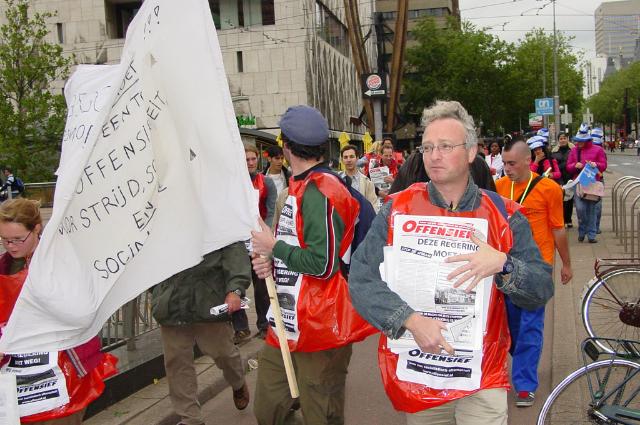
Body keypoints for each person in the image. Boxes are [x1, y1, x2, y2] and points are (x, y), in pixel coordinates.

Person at [348, 100, 553, 425]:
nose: (434, 155)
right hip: (421, 376)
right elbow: (360, 279)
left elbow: (541, 288)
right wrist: (411, 320)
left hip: (482, 380)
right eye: (428, 147)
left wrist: (503, 264)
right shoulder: (398, 209)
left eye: (445, 146)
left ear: (471, 152)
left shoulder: (505, 216)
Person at [250, 105, 375, 425]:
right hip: (287, 318)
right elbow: (295, 247)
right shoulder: (301, 186)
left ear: (287, 146)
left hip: (320, 326)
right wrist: (272, 261)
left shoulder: (321, 189)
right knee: (268, 409)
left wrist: (274, 246)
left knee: (322, 415)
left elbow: (322, 264)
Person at [0, 198, 117, 424]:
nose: (11, 246)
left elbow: (81, 310)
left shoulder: (62, 261)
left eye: (17, 239)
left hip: (65, 369)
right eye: (4, 240)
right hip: (22, 376)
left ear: (36, 229)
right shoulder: (6, 265)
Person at [496, 139, 573, 407]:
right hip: (506, 268)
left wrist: (566, 264)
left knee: (530, 325)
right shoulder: (499, 188)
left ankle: (525, 384)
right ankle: (522, 363)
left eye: (512, 163)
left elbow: (558, 228)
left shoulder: (550, 189)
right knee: (510, 327)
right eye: (504, 163)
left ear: (528, 161)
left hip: (537, 269)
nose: (506, 168)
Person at [151, 241, 255, 425]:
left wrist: (235, 289)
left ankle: (238, 382)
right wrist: (159, 292)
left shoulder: (218, 215)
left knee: (224, 353)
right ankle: (191, 419)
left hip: (208, 300)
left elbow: (234, 250)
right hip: (172, 303)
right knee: (177, 363)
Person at [232, 145, 277, 343]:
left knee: (262, 285)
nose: (250, 163)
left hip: (259, 240)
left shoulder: (266, 182)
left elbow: (271, 209)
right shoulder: (234, 183)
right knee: (237, 284)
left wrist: (261, 234)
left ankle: (264, 324)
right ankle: (240, 327)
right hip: (239, 241)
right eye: (246, 159)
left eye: (252, 159)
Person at [566, 124, 607, 243]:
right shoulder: (574, 151)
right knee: (580, 209)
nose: (578, 143)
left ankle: (591, 235)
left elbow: (603, 165)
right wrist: (575, 165)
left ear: (587, 140)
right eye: (577, 141)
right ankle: (582, 230)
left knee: (592, 210)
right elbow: (568, 167)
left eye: (581, 141)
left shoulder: (598, 150)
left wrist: (596, 165)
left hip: (593, 183)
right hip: (578, 183)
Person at [339, 144, 378, 211]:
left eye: (351, 157)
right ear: (342, 160)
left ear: (357, 158)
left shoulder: (367, 182)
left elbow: (373, 206)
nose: (348, 160)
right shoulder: (336, 179)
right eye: (345, 157)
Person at [551, 132, 575, 228]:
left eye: (564, 138)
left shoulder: (573, 150)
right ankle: (562, 219)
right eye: (561, 138)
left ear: (567, 139)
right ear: (558, 140)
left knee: (570, 199)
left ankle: (568, 219)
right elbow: (554, 166)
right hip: (559, 179)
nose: (563, 140)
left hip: (570, 177)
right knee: (561, 200)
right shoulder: (554, 152)